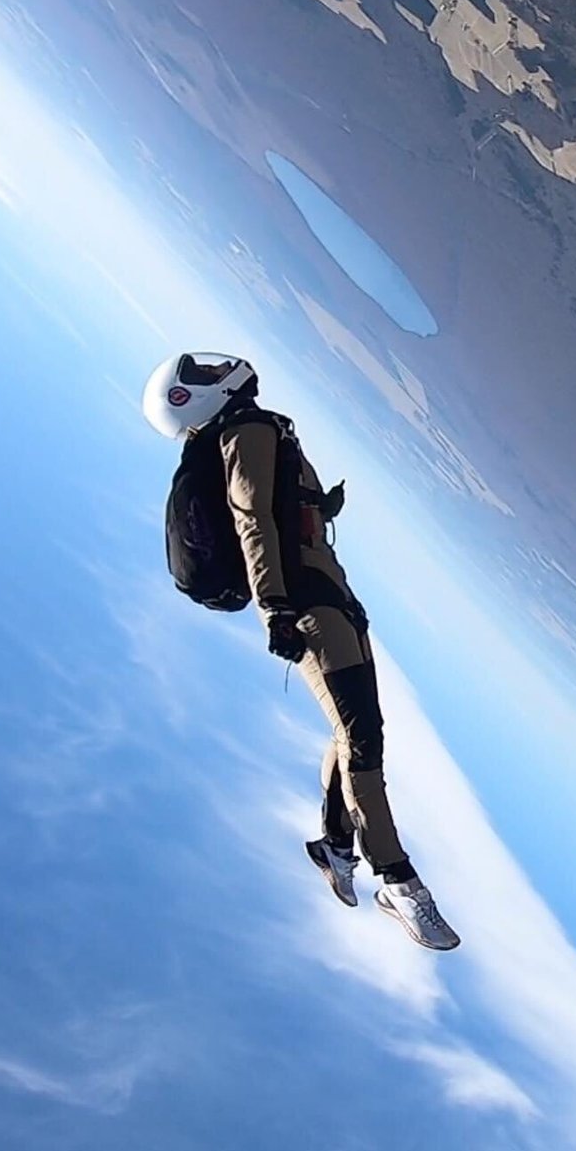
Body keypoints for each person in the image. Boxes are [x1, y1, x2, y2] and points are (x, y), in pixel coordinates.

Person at [142, 352, 459, 951]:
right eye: (200, 375)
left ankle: (335, 845)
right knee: (362, 739)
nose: (214, 372)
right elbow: (252, 520)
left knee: (355, 730)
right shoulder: (244, 431)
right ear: (190, 399)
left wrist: (318, 510)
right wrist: (275, 607)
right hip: (308, 601)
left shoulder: (251, 430)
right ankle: (396, 879)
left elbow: (277, 510)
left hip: (327, 594)